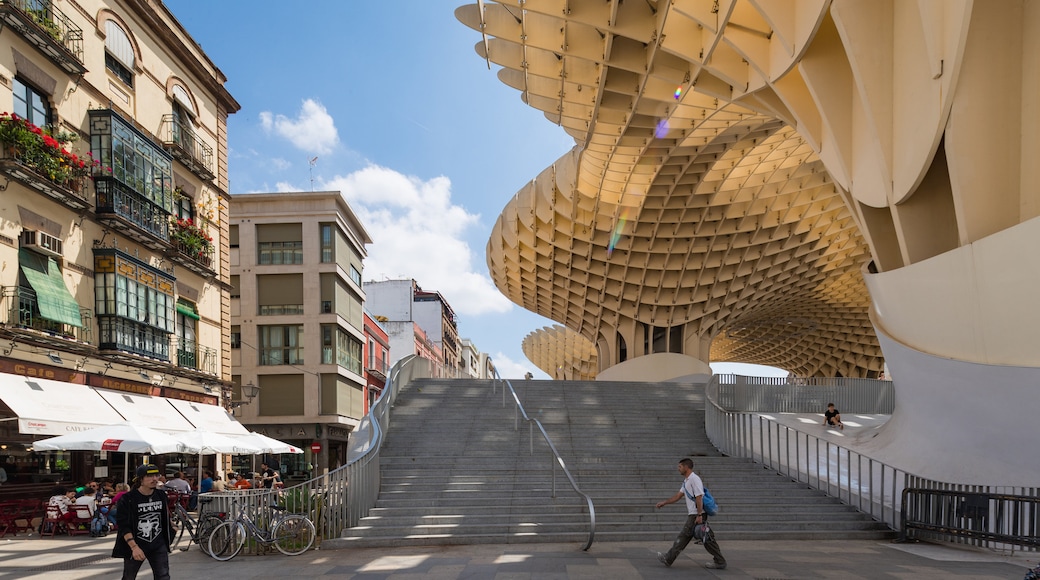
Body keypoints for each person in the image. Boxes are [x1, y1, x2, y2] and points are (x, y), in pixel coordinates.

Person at [655, 458, 727, 570]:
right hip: (694, 514)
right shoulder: (686, 481)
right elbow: (678, 496)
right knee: (706, 539)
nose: (678, 469)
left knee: (685, 536)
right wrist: (665, 502)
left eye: (680, 467)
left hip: (696, 514)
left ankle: (668, 558)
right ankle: (720, 560)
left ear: (686, 467)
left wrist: (699, 515)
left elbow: (699, 496)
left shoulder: (694, 479)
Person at [112, 464, 173, 580]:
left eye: (156, 475)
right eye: (149, 476)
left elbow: (164, 515)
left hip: (158, 544)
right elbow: (123, 525)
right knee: (129, 576)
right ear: (140, 479)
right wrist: (134, 547)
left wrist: (171, 526)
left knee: (163, 576)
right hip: (136, 544)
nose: (154, 479)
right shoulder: (128, 499)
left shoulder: (161, 495)